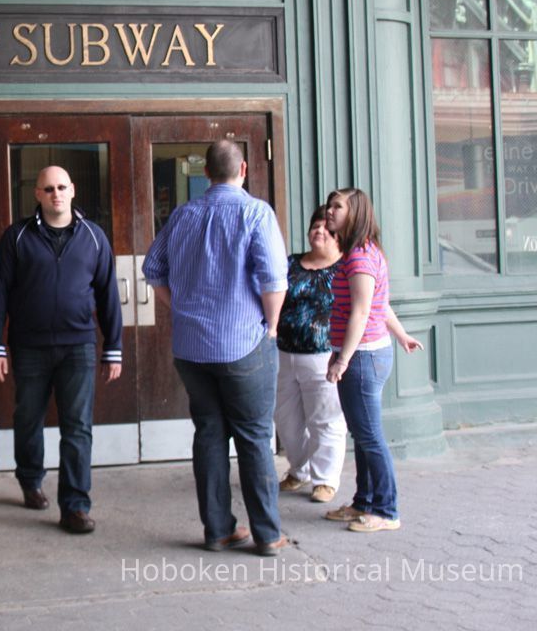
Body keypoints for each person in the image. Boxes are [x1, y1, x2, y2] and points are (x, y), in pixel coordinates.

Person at [142, 140, 289, 556]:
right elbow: (273, 280)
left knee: (209, 433)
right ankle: (267, 534)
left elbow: (152, 269)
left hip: (191, 348)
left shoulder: (182, 215)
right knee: (254, 436)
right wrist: (272, 326)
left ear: (205, 172)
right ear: (243, 169)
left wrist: (181, 308)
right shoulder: (256, 212)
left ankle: (219, 530)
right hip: (244, 344)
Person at [0, 165, 123, 534]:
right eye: (48, 189)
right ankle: (30, 479)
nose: (56, 194)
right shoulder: (17, 237)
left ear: (72, 190)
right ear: (38, 194)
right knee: (28, 417)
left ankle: (75, 506)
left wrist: (113, 347)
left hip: (78, 346)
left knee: (78, 426)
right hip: (29, 347)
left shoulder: (94, 237)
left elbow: (108, 294)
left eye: (62, 187)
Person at [322, 187, 423, 533]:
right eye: (330, 205)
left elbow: (362, 311)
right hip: (364, 355)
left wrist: (342, 360)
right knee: (363, 434)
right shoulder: (360, 252)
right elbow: (381, 304)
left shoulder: (360, 257)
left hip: (363, 357)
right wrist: (402, 335)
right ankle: (364, 502)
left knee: (370, 437)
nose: (329, 211)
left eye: (337, 207)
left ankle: (386, 509)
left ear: (356, 213)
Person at [275, 206, 347, 504]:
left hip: (323, 355)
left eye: (327, 229)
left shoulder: (345, 269)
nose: (319, 231)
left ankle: (326, 480)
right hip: (283, 352)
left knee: (325, 419)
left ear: (340, 237)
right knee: (286, 420)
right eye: (315, 226)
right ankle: (299, 469)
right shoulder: (290, 264)